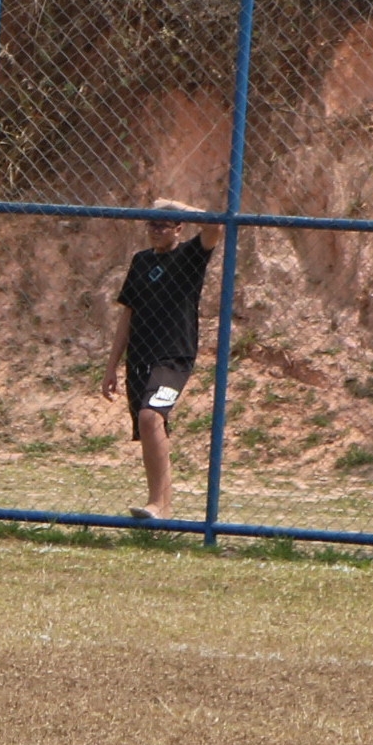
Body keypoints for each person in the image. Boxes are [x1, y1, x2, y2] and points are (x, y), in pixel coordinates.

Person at [100, 199, 222, 520]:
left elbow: (215, 226)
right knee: (149, 425)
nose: (155, 231)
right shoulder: (141, 261)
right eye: (151, 224)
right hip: (140, 356)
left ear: (179, 228)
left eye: (163, 225)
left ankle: (157, 503)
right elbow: (128, 314)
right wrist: (112, 366)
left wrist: (174, 205)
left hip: (174, 356)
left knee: (150, 416)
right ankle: (161, 508)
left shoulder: (190, 255)